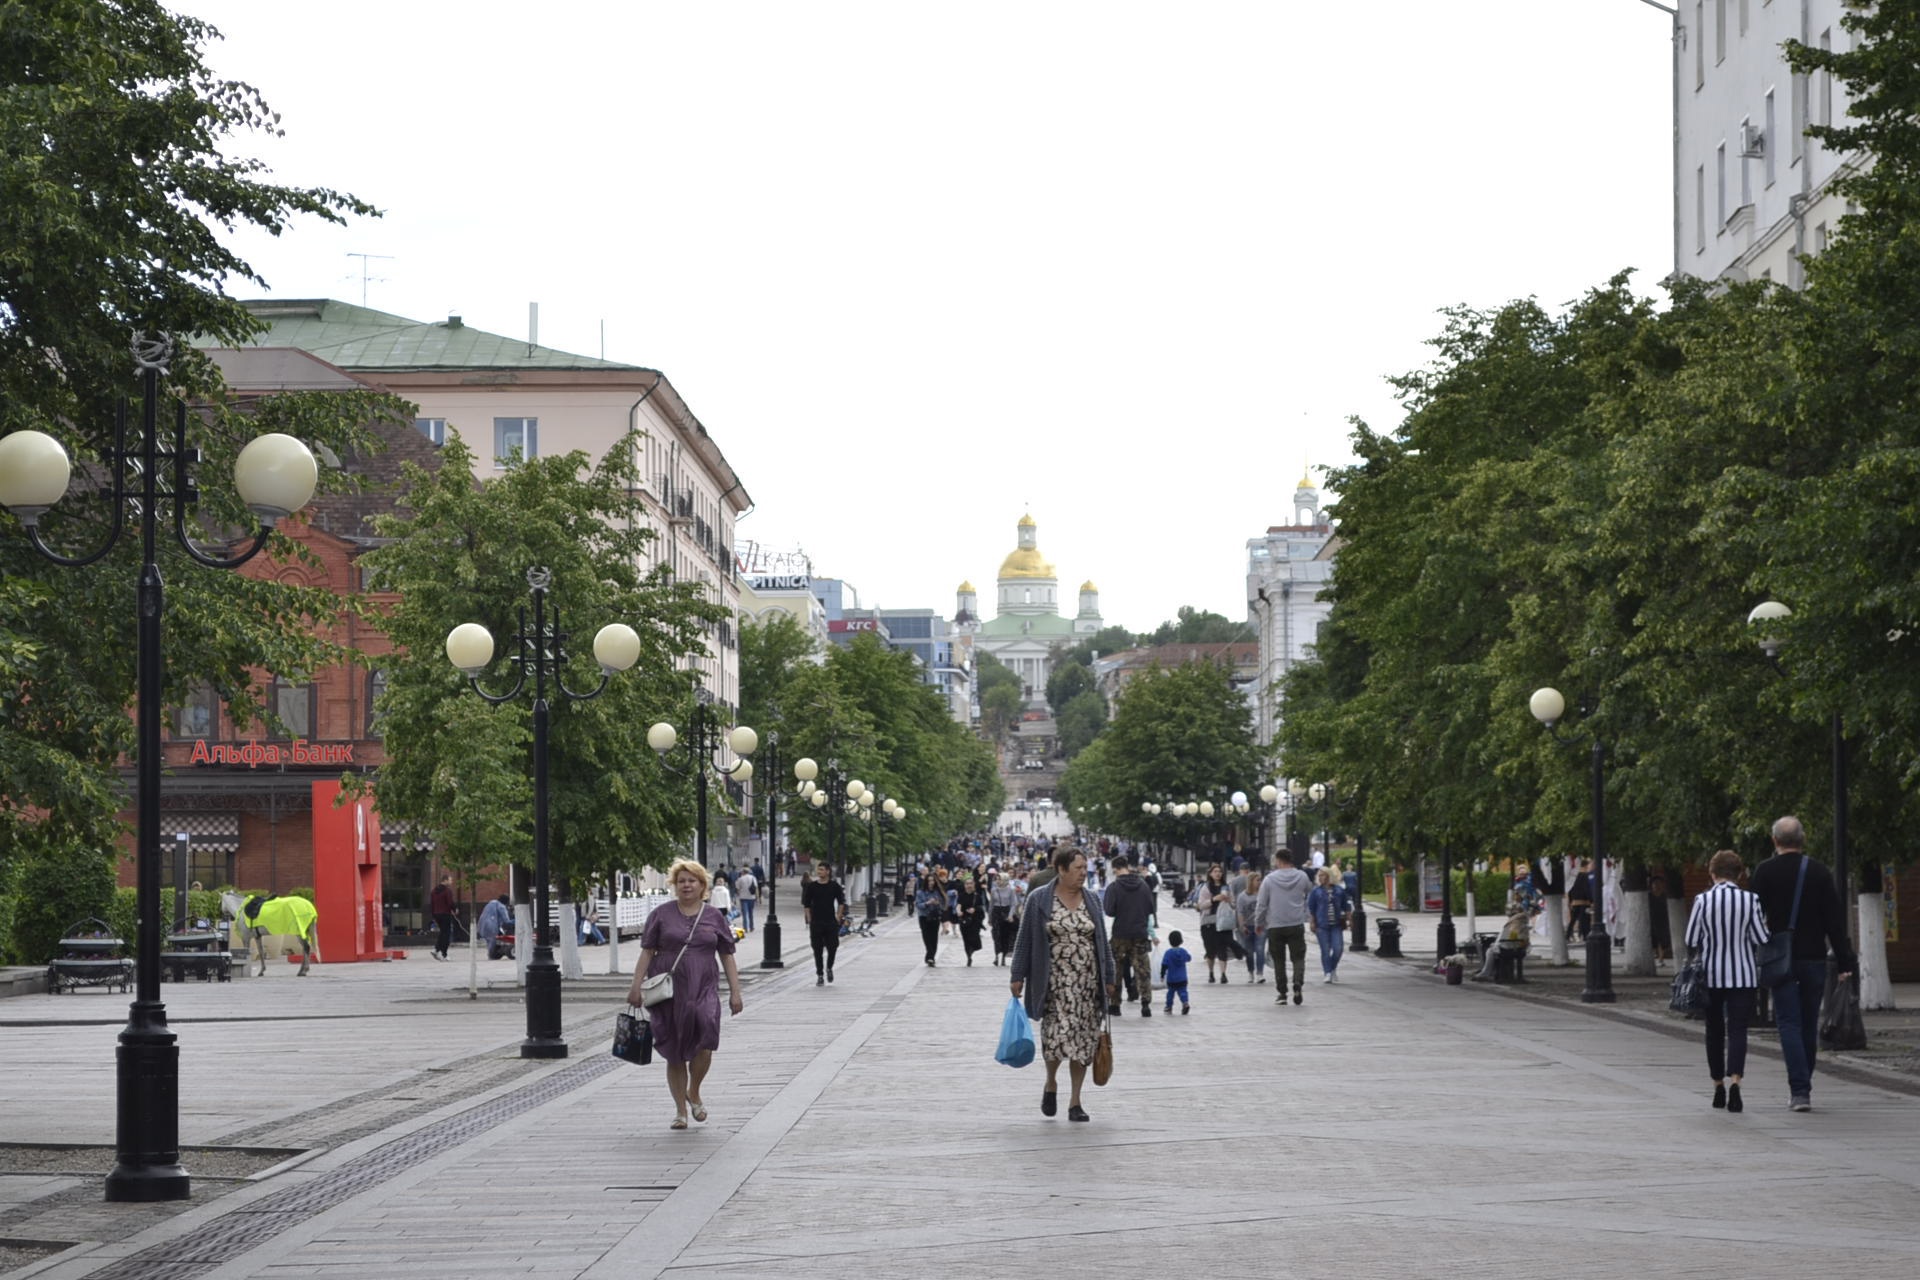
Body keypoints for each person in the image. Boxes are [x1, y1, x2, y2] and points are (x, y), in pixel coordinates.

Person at [626, 859, 742, 1130]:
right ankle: (680, 1111)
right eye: (681, 881)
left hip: (704, 986)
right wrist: (635, 986)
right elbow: (647, 951)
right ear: (675, 886)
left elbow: (727, 954)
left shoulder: (714, 916)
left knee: (707, 1034)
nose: (686, 885)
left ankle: (695, 1090)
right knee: (674, 1049)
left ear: (703, 885)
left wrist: (736, 991)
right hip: (669, 991)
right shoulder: (661, 915)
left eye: (692, 881)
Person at [1750, 816, 1855, 1113]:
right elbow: (1834, 921)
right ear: (1803, 839)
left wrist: (1759, 947)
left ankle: (1799, 1091)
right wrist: (1845, 961)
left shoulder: (1764, 871)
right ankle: (1802, 1087)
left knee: (1788, 1023)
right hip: (1813, 958)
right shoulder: (1819, 872)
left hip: (1779, 959)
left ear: (1774, 841)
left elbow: (1754, 917)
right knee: (1808, 1023)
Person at [1010, 848, 1115, 1123]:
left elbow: (1102, 942)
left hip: (1087, 985)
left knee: (1083, 1042)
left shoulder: (1092, 899)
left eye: (1085, 868)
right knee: (1055, 1040)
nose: (1083, 873)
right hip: (1053, 984)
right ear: (1061, 870)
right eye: (1078, 868)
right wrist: (1017, 975)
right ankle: (1050, 1082)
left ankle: (1075, 1101)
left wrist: (1110, 977)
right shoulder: (1039, 899)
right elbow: (1025, 940)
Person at [1684, 849, 1770, 1114]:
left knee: (1714, 1030)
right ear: (1740, 874)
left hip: (1710, 975)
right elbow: (1761, 938)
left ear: (1712, 874)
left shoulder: (1702, 900)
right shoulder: (1751, 900)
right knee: (1738, 1030)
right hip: (1742, 975)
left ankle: (1717, 1086)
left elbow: (1691, 938)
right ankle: (1736, 1084)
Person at [1255, 848, 1313, 1005]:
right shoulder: (1302, 876)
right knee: (1298, 957)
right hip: (1295, 922)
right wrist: (1305, 911)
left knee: (1278, 959)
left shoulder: (1269, 879)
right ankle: (1298, 984)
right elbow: (1310, 892)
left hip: (1275, 924)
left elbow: (1261, 903)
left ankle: (1282, 992)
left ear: (1278, 861)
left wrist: (1259, 922)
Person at [1103, 854, 1155, 1017]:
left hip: (1120, 933)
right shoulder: (1143, 885)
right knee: (1142, 969)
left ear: (1115, 869)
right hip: (1139, 932)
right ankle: (1145, 1003)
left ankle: (1115, 1005)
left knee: (1117, 969)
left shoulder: (1114, 887)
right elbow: (1150, 908)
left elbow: (1109, 911)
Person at [799, 861, 847, 985]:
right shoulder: (812, 886)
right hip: (816, 922)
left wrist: (838, 916)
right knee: (817, 949)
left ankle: (829, 967)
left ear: (827, 871)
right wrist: (809, 918)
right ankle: (820, 974)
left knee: (833, 946)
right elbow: (807, 904)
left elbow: (841, 901)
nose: (819, 872)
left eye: (821, 870)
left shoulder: (834, 886)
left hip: (831, 921)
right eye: (818, 870)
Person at [1307, 867, 1349, 984]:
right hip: (1322, 925)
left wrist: (1350, 919)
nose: (1320, 878)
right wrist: (1312, 922)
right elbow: (1312, 909)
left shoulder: (1339, 890)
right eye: (1319, 876)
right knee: (1325, 950)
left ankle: (1332, 967)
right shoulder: (1316, 891)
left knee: (1338, 948)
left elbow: (1346, 906)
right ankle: (1327, 972)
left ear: (1329, 876)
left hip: (1336, 924)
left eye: (1323, 875)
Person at [1195, 864, 1234, 983]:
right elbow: (1200, 905)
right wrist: (1213, 899)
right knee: (1210, 949)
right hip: (1208, 922)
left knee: (1223, 948)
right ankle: (1211, 972)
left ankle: (1223, 974)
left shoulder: (1226, 887)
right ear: (1210, 874)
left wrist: (1229, 901)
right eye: (1215, 871)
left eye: (1220, 872)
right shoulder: (1205, 887)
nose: (1218, 874)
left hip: (1223, 921)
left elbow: (1233, 904)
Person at [1236, 870, 1267, 983]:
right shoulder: (1242, 896)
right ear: (1251, 881)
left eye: (1260, 880)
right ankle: (1250, 972)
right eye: (1257, 880)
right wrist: (1242, 925)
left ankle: (1260, 973)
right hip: (1248, 926)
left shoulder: (1263, 894)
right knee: (1248, 951)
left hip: (1261, 926)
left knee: (1260, 949)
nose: (1260, 882)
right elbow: (1240, 912)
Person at [952, 865, 986, 965]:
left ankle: (973, 949)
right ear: (964, 885)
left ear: (974, 885)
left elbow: (981, 907)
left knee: (975, 940)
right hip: (964, 920)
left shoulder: (977, 896)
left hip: (975, 920)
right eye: (967, 884)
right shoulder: (962, 895)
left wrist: (974, 909)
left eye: (971, 884)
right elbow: (958, 905)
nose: (969, 885)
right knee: (966, 939)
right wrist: (958, 911)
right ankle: (968, 956)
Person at [915, 868, 949, 966]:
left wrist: (938, 904)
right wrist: (927, 903)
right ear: (926, 882)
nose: (931, 882)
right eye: (929, 881)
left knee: (934, 938)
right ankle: (930, 956)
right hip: (924, 917)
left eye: (933, 880)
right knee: (926, 937)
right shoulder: (920, 892)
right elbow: (918, 905)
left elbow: (944, 905)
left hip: (935, 917)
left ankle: (931, 957)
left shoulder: (938, 892)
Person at [989, 870, 1022, 965]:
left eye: (999, 879)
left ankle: (1003, 956)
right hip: (996, 913)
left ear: (1004, 879)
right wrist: (990, 917)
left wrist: (1011, 915)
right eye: (996, 879)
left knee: (1005, 935)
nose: (997, 881)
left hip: (1006, 913)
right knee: (996, 935)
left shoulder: (1011, 890)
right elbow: (991, 905)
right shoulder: (993, 890)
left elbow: (1013, 904)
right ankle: (996, 956)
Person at [1160, 929, 1192, 1014]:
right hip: (1182, 978)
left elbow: (1164, 965)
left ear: (1170, 941)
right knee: (1183, 991)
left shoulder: (1168, 953)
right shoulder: (1183, 951)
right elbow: (1189, 958)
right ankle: (1185, 1003)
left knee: (1170, 993)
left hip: (1171, 979)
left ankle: (1168, 1006)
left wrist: (1162, 975)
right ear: (1181, 941)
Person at [429, 873, 457, 961]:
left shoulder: (434, 891)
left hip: (436, 914)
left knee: (443, 932)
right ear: (445, 880)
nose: (451, 882)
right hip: (445, 914)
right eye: (450, 880)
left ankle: (436, 950)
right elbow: (450, 902)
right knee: (446, 934)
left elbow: (432, 904)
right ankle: (444, 953)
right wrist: (455, 909)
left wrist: (433, 914)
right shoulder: (447, 891)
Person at [1566, 858, 1594, 942]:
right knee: (1585, 920)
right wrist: (1591, 900)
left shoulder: (1574, 876)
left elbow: (1570, 889)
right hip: (1584, 901)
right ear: (1586, 865)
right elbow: (1587, 889)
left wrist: (1571, 900)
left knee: (1573, 920)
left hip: (1575, 901)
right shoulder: (1585, 876)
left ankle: (1568, 935)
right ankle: (1585, 936)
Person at [478, 894, 513, 960]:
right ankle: (491, 955)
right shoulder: (501, 906)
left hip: (482, 923)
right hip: (491, 926)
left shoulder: (492, 902)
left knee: (489, 940)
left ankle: (491, 954)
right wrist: (515, 920)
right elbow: (506, 920)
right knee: (492, 940)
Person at [735, 866, 758, 933]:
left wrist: (739, 894)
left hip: (743, 898)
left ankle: (745, 928)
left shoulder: (740, 879)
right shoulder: (753, 878)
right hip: (751, 898)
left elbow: (738, 889)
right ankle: (751, 927)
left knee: (745, 914)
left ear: (743, 872)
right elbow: (756, 888)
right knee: (751, 913)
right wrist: (757, 897)